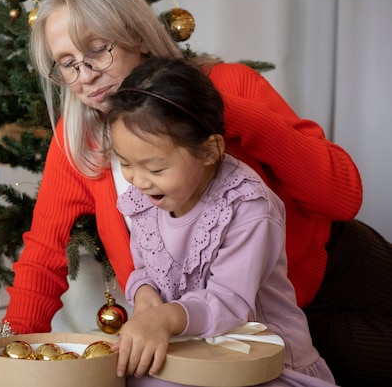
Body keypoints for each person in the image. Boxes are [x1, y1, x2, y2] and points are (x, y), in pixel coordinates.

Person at [3, 0, 392, 385]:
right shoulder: (78, 139)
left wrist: (202, 109)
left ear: (137, 35)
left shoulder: (228, 84)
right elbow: (44, 254)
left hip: (339, 270)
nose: (85, 75)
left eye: (98, 50)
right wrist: (3, 356)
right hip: (246, 330)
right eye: (67, 64)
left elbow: (342, 197)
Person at [104, 55, 336, 386]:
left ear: (210, 151)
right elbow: (145, 269)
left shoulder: (248, 207)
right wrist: (144, 294)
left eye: (155, 168)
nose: (138, 181)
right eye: (126, 163)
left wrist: (165, 318)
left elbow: (230, 302)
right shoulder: (147, 200)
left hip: (258, 358)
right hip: (187, 351)